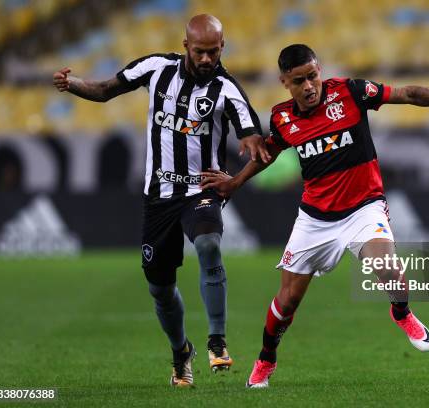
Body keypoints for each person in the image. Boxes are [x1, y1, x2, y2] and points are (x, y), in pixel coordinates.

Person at [201, 44, 429, 388]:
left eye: (312, 76)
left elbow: (409, 94)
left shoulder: (351, 92)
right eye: (299, 81)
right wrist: (235, 182)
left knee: (388, 268)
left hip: (364, 207)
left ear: (320, 71)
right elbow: (268, 153)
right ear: (284, 82)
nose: (308, 86)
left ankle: (402, 313)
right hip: (315, 218)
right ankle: (266, 359)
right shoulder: (282, 117)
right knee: (287, 301)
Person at [53, 14, 269, 387]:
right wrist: (72, 84)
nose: (206, 59)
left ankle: (217, 340)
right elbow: (106, 90)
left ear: (223, 48)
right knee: (160, 288)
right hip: (159, 198)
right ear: (185, 46)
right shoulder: (155, 68)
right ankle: (180, 352)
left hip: (202, 191)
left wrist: (246, 151)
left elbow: (252, 136)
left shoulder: (226, 88)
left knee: (208, 244)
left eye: (213, 52)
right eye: (200, 52)